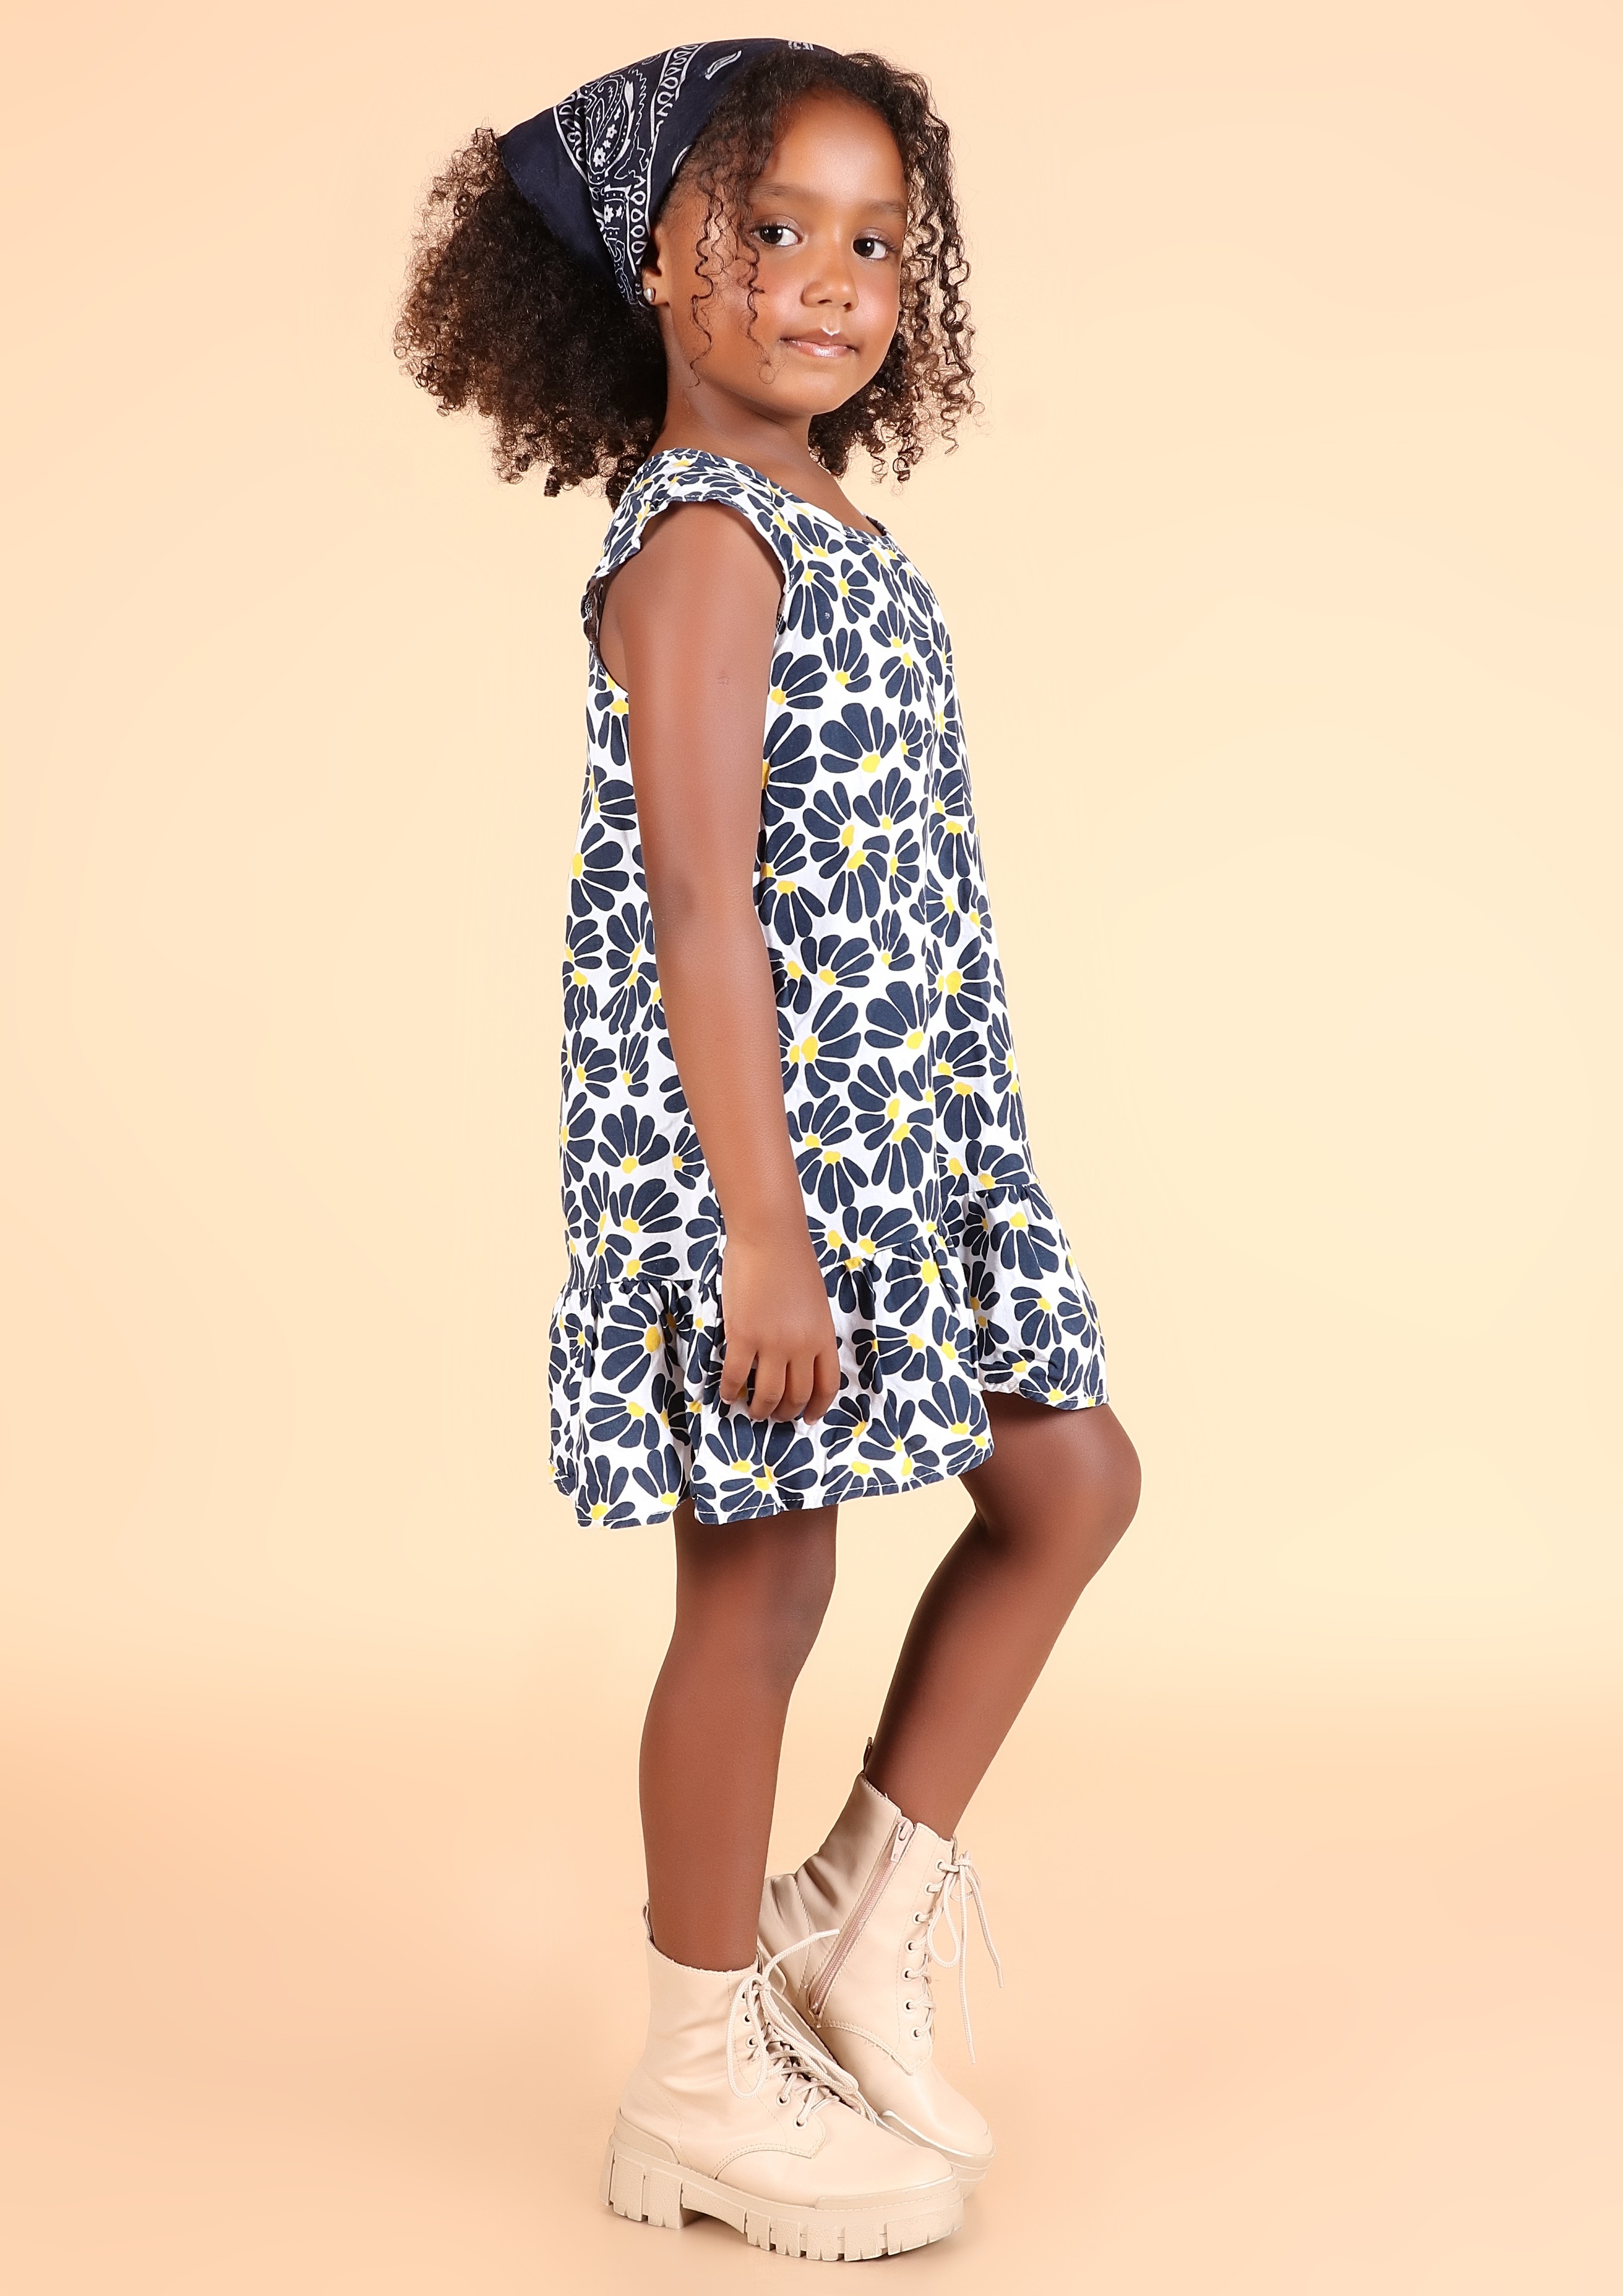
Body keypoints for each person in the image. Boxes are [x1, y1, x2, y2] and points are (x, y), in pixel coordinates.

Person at [398, 39, 1141, 2262]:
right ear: (654, 262)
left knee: (1068, 1478)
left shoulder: (822, 523)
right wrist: (759, 1235)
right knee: (763, 1584)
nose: (829, 279)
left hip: (899, 1139)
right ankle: (697, 2079)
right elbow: (697, 903)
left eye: (875, 239)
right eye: (770, 230)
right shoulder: (702, 545)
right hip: (761, 1169)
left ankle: (848, 1918)